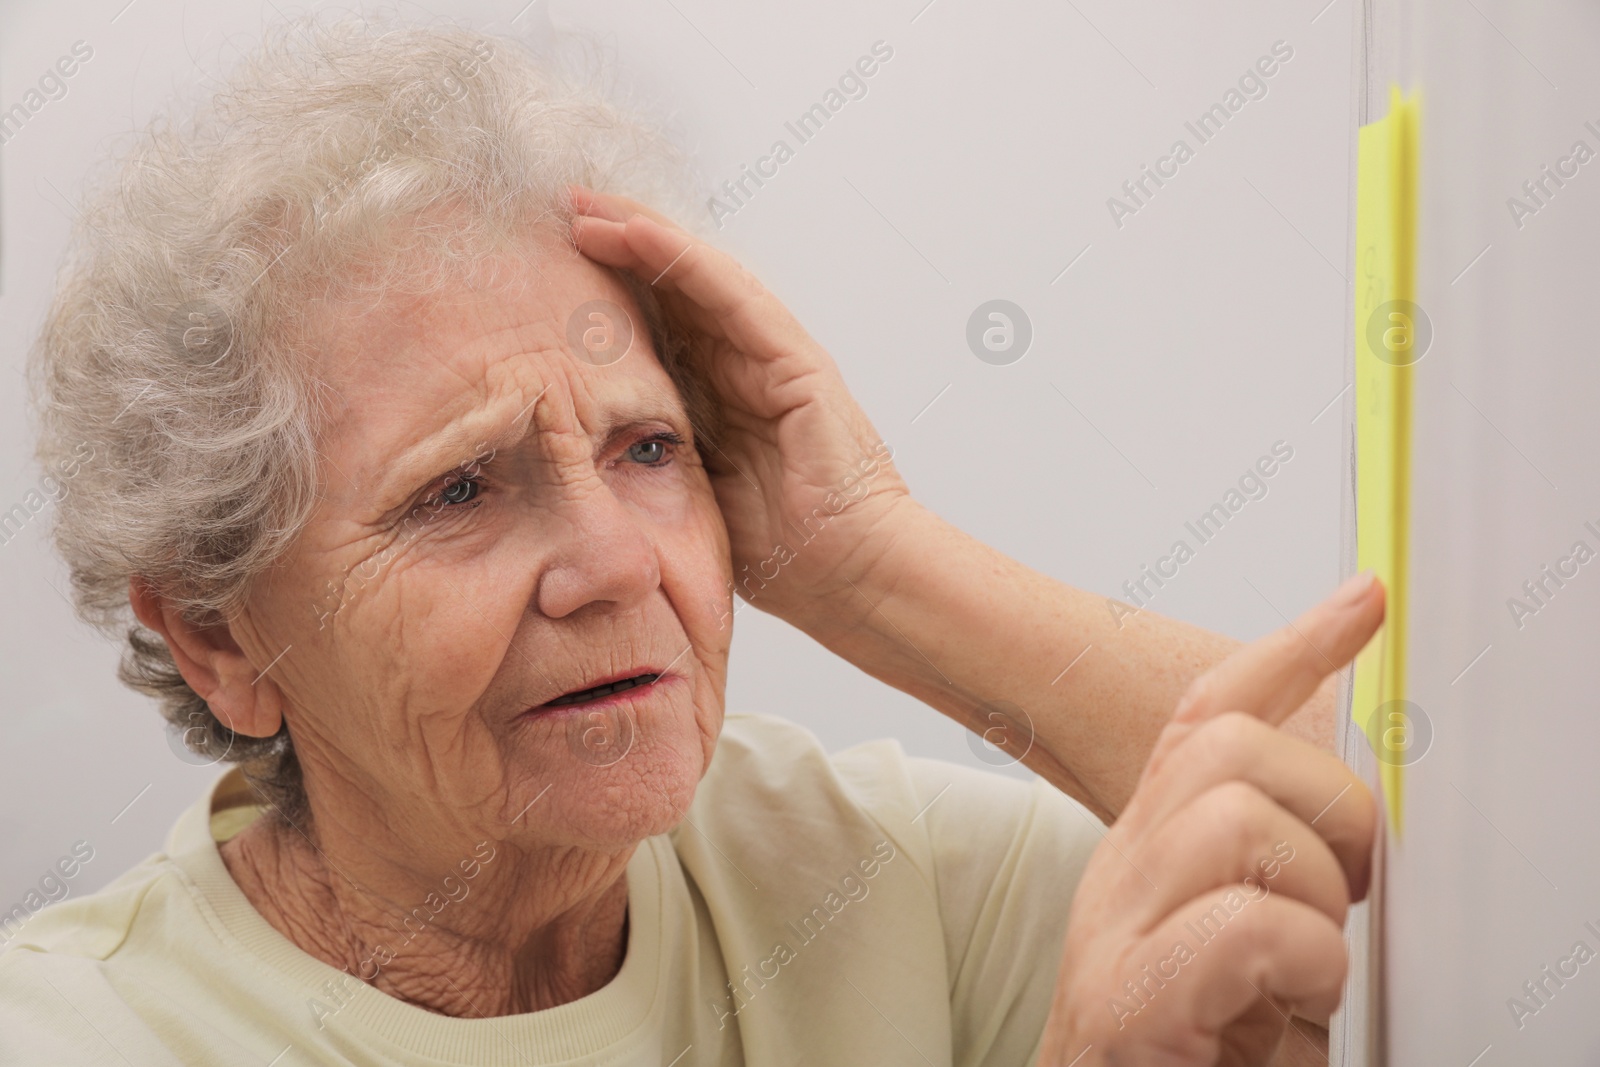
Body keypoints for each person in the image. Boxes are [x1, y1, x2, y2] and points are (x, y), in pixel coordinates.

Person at [4, 17, 1377, 1066]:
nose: (615, 564)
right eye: (459, 492)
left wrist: (870, 561)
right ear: (222, 635)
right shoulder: (76, 1034)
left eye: (648, 450)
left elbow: (1440, 845)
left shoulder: (857, 871)